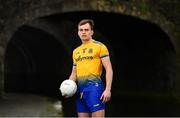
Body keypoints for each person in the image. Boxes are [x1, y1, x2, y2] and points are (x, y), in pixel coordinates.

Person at [67, 19, 113, 117]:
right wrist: (67, 86)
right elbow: (74, 73)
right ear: (78, 32)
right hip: (80, 91)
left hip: (94, 89)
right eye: (81, 30)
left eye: (86, 30)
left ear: (92, 32)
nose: (83, 32)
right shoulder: (76, 51)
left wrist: (108, 89)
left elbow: (108, 68)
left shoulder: (100, 46)